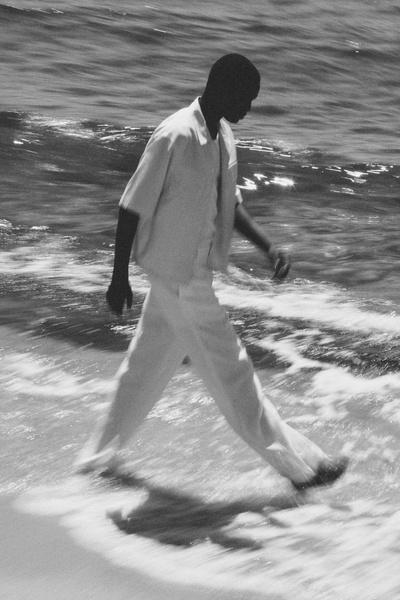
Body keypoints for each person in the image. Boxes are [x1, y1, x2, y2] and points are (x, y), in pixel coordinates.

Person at [76, 54, 348, 491]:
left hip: (186, 277)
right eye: (246, 98)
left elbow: (229, 205)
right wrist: (118, 276)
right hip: (181, 282)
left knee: (140, 375)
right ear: (222, 87)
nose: (249, 108)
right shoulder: (175, 134)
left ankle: (94, 462)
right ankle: (305, 469)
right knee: (234, 376)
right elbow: (131, 207)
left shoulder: (224, 137)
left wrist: (268, 246)